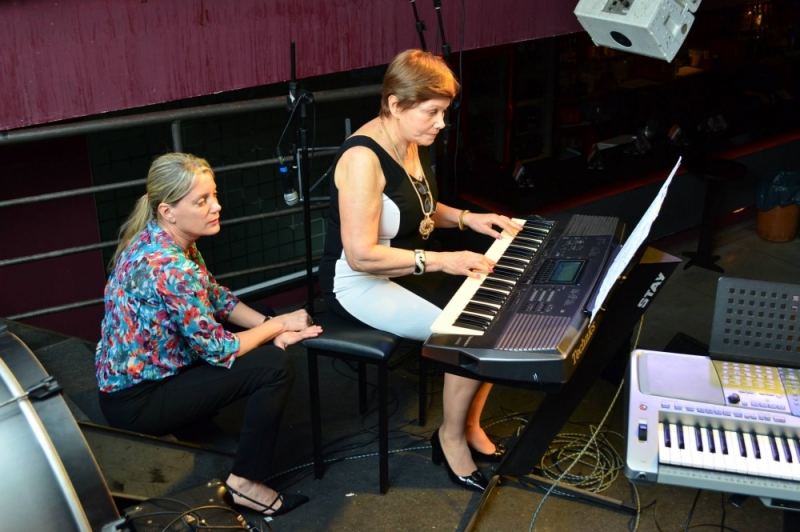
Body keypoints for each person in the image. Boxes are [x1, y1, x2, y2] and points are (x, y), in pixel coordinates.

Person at [318, 50, 523, 492]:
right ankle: (448, 437)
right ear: (395, 105)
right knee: (471, 334)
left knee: (499, 310)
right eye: (432, 112)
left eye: (444, 111)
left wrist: (467, 218)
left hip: (407, 265)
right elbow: (360, 256)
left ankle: (467, 423)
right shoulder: (361, 159)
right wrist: (444, 260)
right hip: (359, 283)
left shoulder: (408, 139)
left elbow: (418, 208)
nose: (441, 123)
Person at [95, 153, 322, 517]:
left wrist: (268, 321)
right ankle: (245, 483)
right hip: (138, 403)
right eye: (201, 201)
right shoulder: (170, 267)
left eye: (213, 195)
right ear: (168, 210)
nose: (216, 206)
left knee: (260, 315)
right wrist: (277, 327)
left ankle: (199, 422)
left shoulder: (162, 238)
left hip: (149, 379)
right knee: (274, 365)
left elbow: (216, 297)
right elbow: (219, 349)